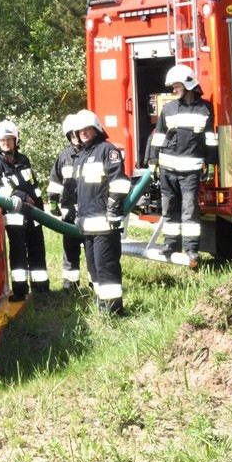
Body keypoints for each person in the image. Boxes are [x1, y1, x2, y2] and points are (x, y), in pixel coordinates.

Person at [147, 64, 217, 265]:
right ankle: (170, 244)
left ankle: (192, 249)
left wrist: (211, 164)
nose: (173, 90)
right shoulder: (168, 109)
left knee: (190, 210)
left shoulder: (205, 109)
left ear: (188, 84)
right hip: (167, 170)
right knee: (169, 209)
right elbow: (158, 137)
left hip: (191, 171)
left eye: (176, 86)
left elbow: (210, 139)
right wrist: (153, 162)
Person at [70, 110, 132, 316]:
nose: (83, 133)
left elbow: (120, 182)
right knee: (94, 268)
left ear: (96, 129)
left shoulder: (108, 150)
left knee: (106, 267)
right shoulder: (81, 156)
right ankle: (101, 305)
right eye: (80, 130)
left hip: (105, 225)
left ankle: (113, 310)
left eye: (87, 129)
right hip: (87, 225)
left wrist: (114, 206)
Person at [0, 119, 49, 301]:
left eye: (9, 139)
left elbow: (33, 185)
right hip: (14, 217)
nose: (6, 143)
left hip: (34, 213)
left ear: (16, 140)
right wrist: (21, 196)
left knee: (37, 250)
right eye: (3, 140)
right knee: (18, 254)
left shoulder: (24, 160)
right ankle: (20, 291)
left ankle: (41, 289)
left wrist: (39, 206)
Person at [48, 114, 84, 291]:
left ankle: (95, 285)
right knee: (70, 252)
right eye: (71, 135)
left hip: (88, 212)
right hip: (69, 213)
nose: (75, 138)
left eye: (77, 134)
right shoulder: (64, 156)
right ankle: (70, 287)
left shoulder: (93, 153)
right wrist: (53, 202)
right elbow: (55, 181)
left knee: (92, 253)